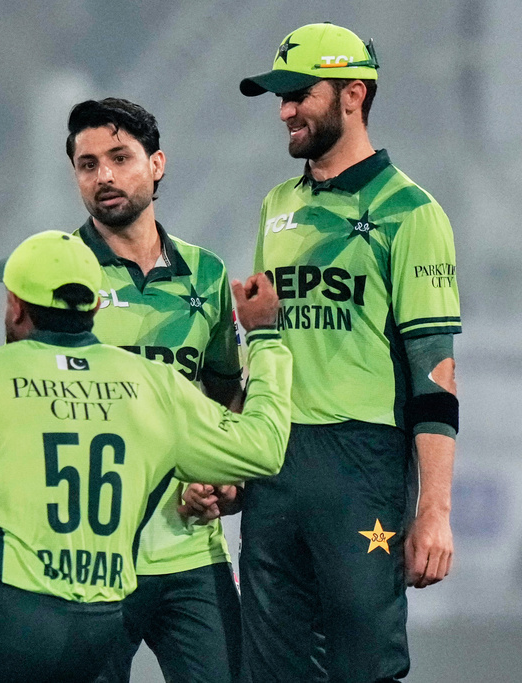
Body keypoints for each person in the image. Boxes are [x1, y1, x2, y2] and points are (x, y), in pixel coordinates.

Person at [0, 230, 291, 683]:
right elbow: (264, 448)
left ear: (16, 306)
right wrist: (267, 339)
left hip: (8, 613)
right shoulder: (153, 384)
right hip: (102, 622)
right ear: (96, 308)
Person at [237, 22, 461, 682]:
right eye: (279, 97)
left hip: (361, 462)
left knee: (363, 663)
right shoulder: (276, 205)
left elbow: (435, 373)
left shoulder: (410, 211)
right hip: (273, 462)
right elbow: (265, 344)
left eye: (298, 94)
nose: (283, 111)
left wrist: (435, 514)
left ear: (353, 94)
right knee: (271, 666)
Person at [64, 97, 245, 683]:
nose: (105, 176)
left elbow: (224, 395)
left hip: (191, 552)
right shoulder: (57, 272)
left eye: (120, 157)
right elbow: (22, 402)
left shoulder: (208, 275)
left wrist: (218, 475)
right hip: (87, 562)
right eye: (88, 164)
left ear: (157, 164)